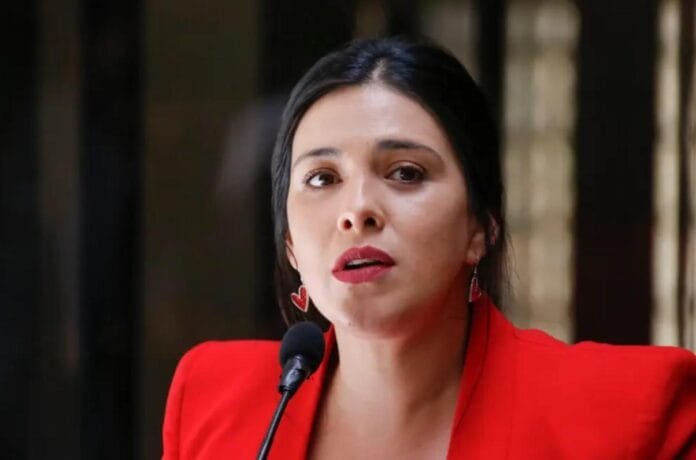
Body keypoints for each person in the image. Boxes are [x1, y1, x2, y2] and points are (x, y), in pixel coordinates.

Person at [162, 37, 696, 459]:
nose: (357, 210)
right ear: (290, 246)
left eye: (406, 172)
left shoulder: (631, 414)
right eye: (322, 178)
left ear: (481, 227)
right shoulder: (213, 401)